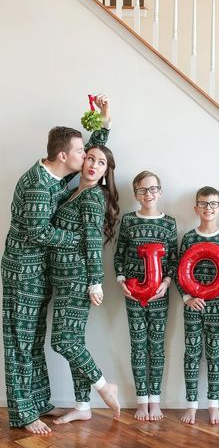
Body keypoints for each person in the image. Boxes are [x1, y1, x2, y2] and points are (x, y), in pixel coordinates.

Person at [1, 95, 110, 434]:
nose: (85, 157)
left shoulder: (55, 176)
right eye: (81, 153)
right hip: (22, 273)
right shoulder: (37, 184)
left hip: (40, 273)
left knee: (35, 340)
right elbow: (38, 232)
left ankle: (39, 402)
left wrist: (103, 122)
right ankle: (22, 414)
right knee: (19, 341)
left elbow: (93, 154)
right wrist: (76, 242)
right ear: (64, 156)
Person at [50, 145, 120, 424]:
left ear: (105, 172)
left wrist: (95, 283)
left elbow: (93, 243)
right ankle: (82, 405)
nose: (93, 164)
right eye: (89, 158)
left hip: (78, 280)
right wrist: (103, 125)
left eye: (101, 163)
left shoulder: (92, 198)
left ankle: (104, 386)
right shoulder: (73, 192)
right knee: (74, 341)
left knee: (62, 341)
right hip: (64, 278)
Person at [114, 171, 178, 421]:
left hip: (160, 296)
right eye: (142, 190)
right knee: (138, 345)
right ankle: (142, 400)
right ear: (135, 194)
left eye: (152, 189)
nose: (148, 194)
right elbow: (119, 255)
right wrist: (120, 280)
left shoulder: (169, 223)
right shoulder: (128, 221)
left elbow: (173, 259)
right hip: (133, 295)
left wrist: (167, 282)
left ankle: (155, 400)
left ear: (160, 192)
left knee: (157, 347)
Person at [176, 186, 219, 425]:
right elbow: (180, 273)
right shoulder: (189, 238)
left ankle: (213, 405)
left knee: (215, 357)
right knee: (191, 355)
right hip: (193, 307)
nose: (207, 208)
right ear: (195, 208)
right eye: (203, 204)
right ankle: (191, 405)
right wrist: (187, 298)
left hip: (218, 308)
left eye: (212, 204)